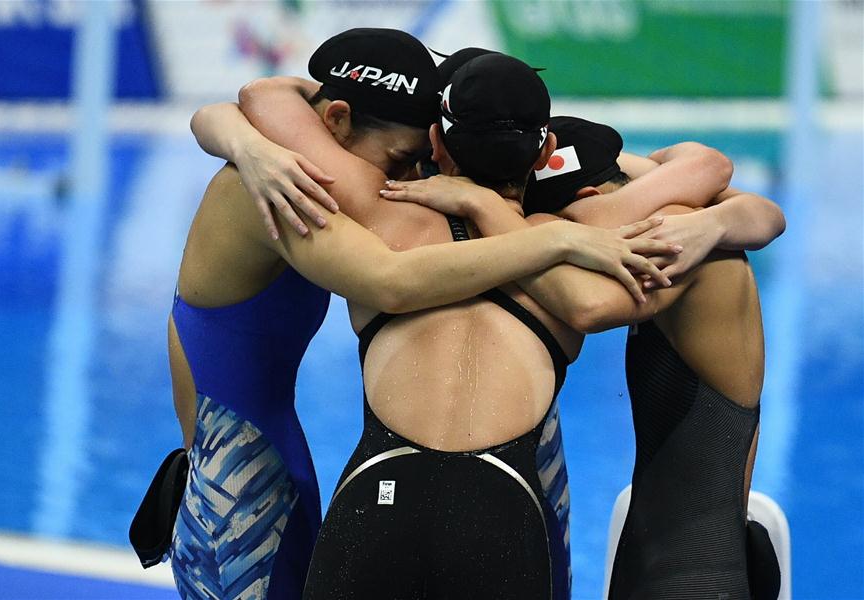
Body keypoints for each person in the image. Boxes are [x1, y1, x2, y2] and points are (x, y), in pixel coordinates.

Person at [168, 31, 674, 600]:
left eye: (419, 161)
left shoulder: (366, 200)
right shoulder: (283, 186)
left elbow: (265, 95)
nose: (408, 182)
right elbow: (391, 283)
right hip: (239, 478)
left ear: (440, 142)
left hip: (280, 465)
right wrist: (553, 239)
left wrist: (238, 134)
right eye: (400, 162)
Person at [382, 115, 785, 598]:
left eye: (561, 222)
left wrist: (485, 207)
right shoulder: (692, 220)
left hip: (696, 573)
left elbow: (585, 305)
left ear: (592, 202)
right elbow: (707, 176)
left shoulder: (677, 240)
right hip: (663, 559)